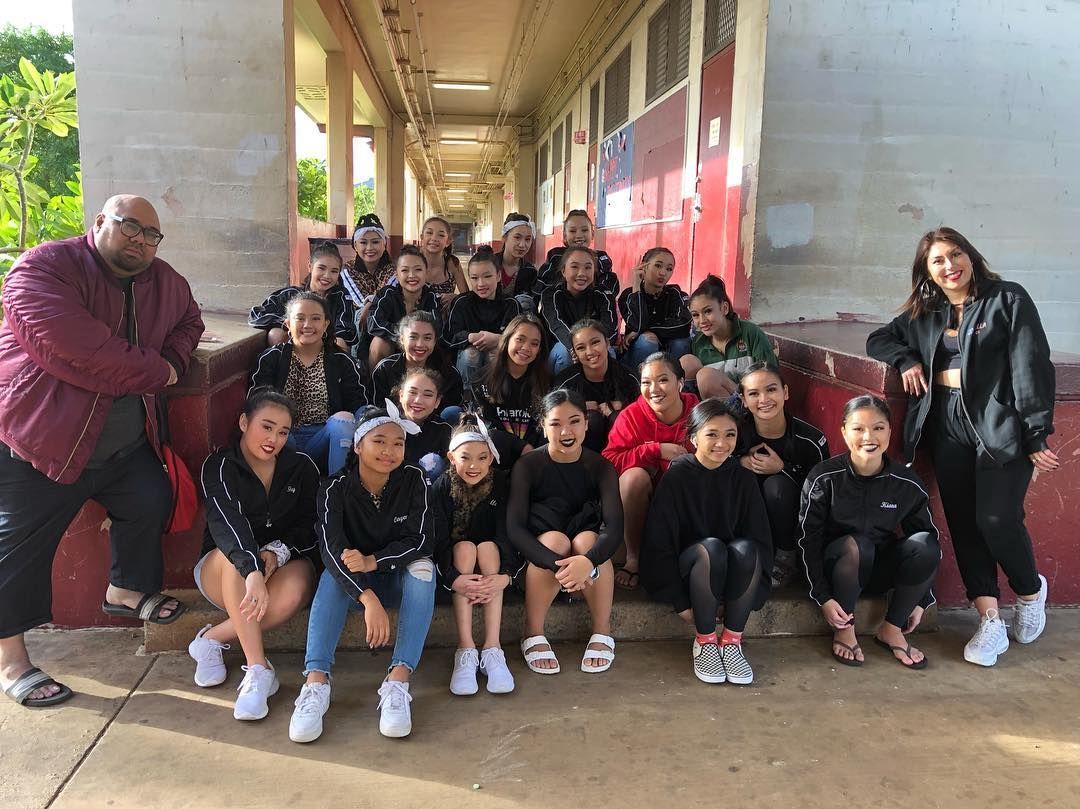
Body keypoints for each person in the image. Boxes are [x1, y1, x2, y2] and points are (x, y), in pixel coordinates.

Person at [0, 194, 204, 708]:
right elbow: (77, 349)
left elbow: (190, 322)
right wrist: (159, 372)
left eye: (151, 235)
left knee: (150, 499)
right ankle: (11, 661)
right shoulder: (45, 268)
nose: (140, 240)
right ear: (99, 223)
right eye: (129, 226)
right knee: (19, 551)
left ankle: (126, 592)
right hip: (42, 439)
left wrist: (175, 361)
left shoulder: (165, 281)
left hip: (123, 441)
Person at [866, 227, 1056, 667]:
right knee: (965, 522)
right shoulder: (925, 311)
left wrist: (1035, 430)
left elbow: (1031, 364)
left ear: (971, 256)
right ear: (927, 271)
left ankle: (1029, 590)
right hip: (945, 422)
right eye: (938, 261)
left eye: (955, 255)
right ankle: (989, 618)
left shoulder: (1007, 299)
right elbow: (879, 338)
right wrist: (907, 359)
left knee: (996, 518)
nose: (949, 266)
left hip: (998, 422)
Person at [289, 403, 435, 743]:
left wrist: (374, 561)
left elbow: (423, 540)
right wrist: (366, 596)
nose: (389, 451)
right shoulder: (334, 488)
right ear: (357, 446)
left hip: (398, 579)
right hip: (356, 588)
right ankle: (315, 682)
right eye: (379, 441)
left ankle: (398, 681)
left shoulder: (414, 480)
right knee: (331, 574)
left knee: (425, 569)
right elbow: (331, 548)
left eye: (398, 443)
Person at [189, 389, 319, 720]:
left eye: (283, 432)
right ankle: (258, 669)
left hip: (281, 564)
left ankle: (212, 639)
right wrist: (251, 570)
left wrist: (279, 551)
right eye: (266, 426)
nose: (273, 438)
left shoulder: (301, 468)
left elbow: (311, 525)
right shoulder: (220, 465)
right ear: (244, 422)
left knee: (296, 591)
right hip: (222, 569)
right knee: (237, 560)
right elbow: (225, 522)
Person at [798, 395, 941, 669]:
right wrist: (823, 596)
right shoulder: (824, 477)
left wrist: (923, 599)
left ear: (890, 430)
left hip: (877, 568)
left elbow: (927, 540)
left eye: (878, 428)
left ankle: (892, 628)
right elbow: (807, 542)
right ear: (843, 431)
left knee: (925, 544)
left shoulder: (906, 483)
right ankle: (845, 627)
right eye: (858, 428)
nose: (869, 437)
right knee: (857, 545)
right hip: (837, 569)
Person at [642, 399, 772, 685]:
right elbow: (659, 542)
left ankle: (731, 640)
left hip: (730, 573)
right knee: (711, 547)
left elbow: (761, 539)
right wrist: (679, 601)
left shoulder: (743, 478)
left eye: (730, 435)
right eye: (712, 434)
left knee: (747, 548)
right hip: (691, 569)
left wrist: (750, 595)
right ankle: (705, 641)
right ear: (693, 437)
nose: (721, 443)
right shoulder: (678, 475)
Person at [507, 389, 623, 675]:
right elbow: (515, 527)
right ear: (543, 426)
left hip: (587, 568)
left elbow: (615, 527)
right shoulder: (528, 465)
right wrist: (558, 566)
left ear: (586, 423)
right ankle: (532, 630)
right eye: (556, 423)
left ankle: (602, 630)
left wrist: (587, 562)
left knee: (588, 541)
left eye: (574, 421)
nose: (566, 431)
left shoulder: (600, 466)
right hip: (542, 560)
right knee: (555, 540)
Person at [433, 414, 521, 695]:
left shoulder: (501, 484)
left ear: (491, 459)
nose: (474, 466)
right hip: (456, 566)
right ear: (451, 456)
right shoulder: (441, 487)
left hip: (491, 563)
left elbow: (507, 533)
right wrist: (453, 579)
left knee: (486, 546)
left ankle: (493, 648)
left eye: (483, 457)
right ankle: (466, 649)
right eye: (466, 457)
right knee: (465, 547)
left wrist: (504, 578)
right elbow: (438, 540)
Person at [603, 353, 699, 590]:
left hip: (683, 499)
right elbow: (610, 461)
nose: (653, 389)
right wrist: (655, 450)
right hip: (642, 499)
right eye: (646, 382)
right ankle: (634, 557)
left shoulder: (698, 412)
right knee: (633, 477)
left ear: (680, 382)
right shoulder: (631, 416)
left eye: (663, 380)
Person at [250, 292, 368, 475]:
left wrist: (374, 419)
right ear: (288, 323)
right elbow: (257, 402)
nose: (307, 325)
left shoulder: (341, 361)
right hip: (284, 438)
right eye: (300, 318)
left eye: (315, 318)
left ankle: (338, 490)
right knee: (271, 423)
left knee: (344, 420)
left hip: (324, 440)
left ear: (326, 324)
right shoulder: (272, 358)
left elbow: (357, 403)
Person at [736, 363, 829, 588]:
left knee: (777, 486)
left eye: (771, 390)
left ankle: (787, 558)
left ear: (785, 392)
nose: (764, 399)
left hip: (790, 521)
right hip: (748, 520)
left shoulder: (811, 439)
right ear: (743, 400)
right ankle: (745, 551)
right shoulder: (734, 433)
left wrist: (783, 469)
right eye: (754, 394)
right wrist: (739, 462)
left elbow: (822, 495)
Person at [467, 313, 551, 468]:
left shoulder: (546, 383)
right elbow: (485, 427)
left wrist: (534, 452)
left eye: (534, 343)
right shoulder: (482, 380)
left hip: (536, 460)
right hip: (496, 456)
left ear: (539, 349)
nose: (526, 348)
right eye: (520, 339)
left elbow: (544, 425)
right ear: (507, 340)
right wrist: (521, 447)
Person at [680, 274, 777, 399]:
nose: (702, 320)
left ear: (724, 308)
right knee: (687, 362)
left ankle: (738, 414)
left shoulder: (750, 332)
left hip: (753, 402)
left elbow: (770, 375)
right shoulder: (698, 343)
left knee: (707, 376)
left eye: (708, 311)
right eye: (695, 315)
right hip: (716, 410)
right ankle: (693, 414)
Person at [248, 241, 357, 350]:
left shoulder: (341, 296)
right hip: (295, 348)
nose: (327, 276)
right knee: (276, 334)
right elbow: (258, 314)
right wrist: (292, 324)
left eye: (334, 271)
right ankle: (287, 366)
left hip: (326, 348)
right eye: (321, 268)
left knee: (340, 343)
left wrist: (318, 334)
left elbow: (345, 328)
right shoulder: (291, 295)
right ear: (310, 266)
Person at [554, 319, 640, 452]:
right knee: (591, 419)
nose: (590, 352)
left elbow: (646, 413)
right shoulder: (566, 381)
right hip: (581, 450)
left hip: (623, 451)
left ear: (607, 343)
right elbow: (549, 415)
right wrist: (578, 407)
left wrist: (624, 407)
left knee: (619, 416)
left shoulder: (628, 377)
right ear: (574, 353)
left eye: (595, 342)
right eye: (581, 348)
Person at [443, 246, 521, 386]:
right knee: (470, 355)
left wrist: (499, 339)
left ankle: (496, 398)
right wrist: (470, 337)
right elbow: (450, 337)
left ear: (498, 276)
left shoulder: (510, 304)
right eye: (474, 278)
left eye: (487, 276)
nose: (481, 283)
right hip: (466, 360)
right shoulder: (461, 302)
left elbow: (520, 338)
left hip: (498, 358)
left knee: (495, 354)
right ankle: (467, 399)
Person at [538, 246, 617, 374]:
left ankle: (605, 392)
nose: (581, 273)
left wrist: (590, 348)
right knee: (564, 352)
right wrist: (576, 347)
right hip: (564, 348)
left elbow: (610, 326)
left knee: (608, 352)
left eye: (588, 267)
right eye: (574, 267)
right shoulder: (551, 294)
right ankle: (562, 393)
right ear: (563, 271)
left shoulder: (603, 294)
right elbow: (556, 324)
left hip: (593, 345)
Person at [371, 311, 463, 414]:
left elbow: (450, 410)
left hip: (437, 426)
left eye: (427, 338)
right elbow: (378, 409)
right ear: (402, 339)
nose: (420, 344)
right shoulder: (385, 369)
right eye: (413, 337)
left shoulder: (448, 372)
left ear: (435, 341)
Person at [366, 245, 442, 370]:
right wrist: (404, 335)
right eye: (405, 270)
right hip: (393, 343)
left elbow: (437, 327)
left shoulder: (430, 297)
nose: (411, 275)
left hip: (420, 347)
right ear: (397, 274)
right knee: (379, 343)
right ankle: (374, 386)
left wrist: (416, 339)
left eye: (418, 270)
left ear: (426, 272)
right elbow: (374, 323)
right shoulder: (387, 294)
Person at [618, 247, 692, 367]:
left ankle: (678, 382)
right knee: (648, 341)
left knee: (682, 342)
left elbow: (683, 326)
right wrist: (636, 285)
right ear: (644, 267)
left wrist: (651, 330)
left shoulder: (675, 293)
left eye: (669, 269)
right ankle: (639, 383)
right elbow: (637, 324)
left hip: (668, 350)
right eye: (658, 266)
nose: (663, 273)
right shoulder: (628, 295)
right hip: (637, 353)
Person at [537, 209, 619, 305]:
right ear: (564, 235)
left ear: (592, 234)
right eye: (572, 231)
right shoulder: (556, 256)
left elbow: (609, 289)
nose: (579, 235)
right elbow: (542, 286)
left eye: (584, 230)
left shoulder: (600, 258)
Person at [397, 366, 452, 483]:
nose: (418, 400)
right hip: (388, 487)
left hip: (425, 493)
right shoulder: (386, 424)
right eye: (412, 392)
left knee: (434, 461)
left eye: (427, 395)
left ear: (437, 401)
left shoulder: (443, 429)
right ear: (401, 396)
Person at [341, 212, 395, 312]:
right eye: (363, 242)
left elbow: (387, 298)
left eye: (375, 242)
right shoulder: (348, 270)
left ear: (384, 244)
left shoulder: (394, 271)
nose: (369, 248)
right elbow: (362, 304)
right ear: (355, 246)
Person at [418, 216, 467, 306]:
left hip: (445, 319)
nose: (434, 238)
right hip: (415, 318)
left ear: (448, 242)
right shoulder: (412, 261)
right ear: (422, 237)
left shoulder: (452, 263)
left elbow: (466, 296)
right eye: (429, 232)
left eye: (441, 235)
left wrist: (455, 298)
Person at [493, 212, 539, 305]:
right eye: (517, 237)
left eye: (528, 239)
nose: (522, 245)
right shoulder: (489, 265)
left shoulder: (531, 272)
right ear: (504, 237)